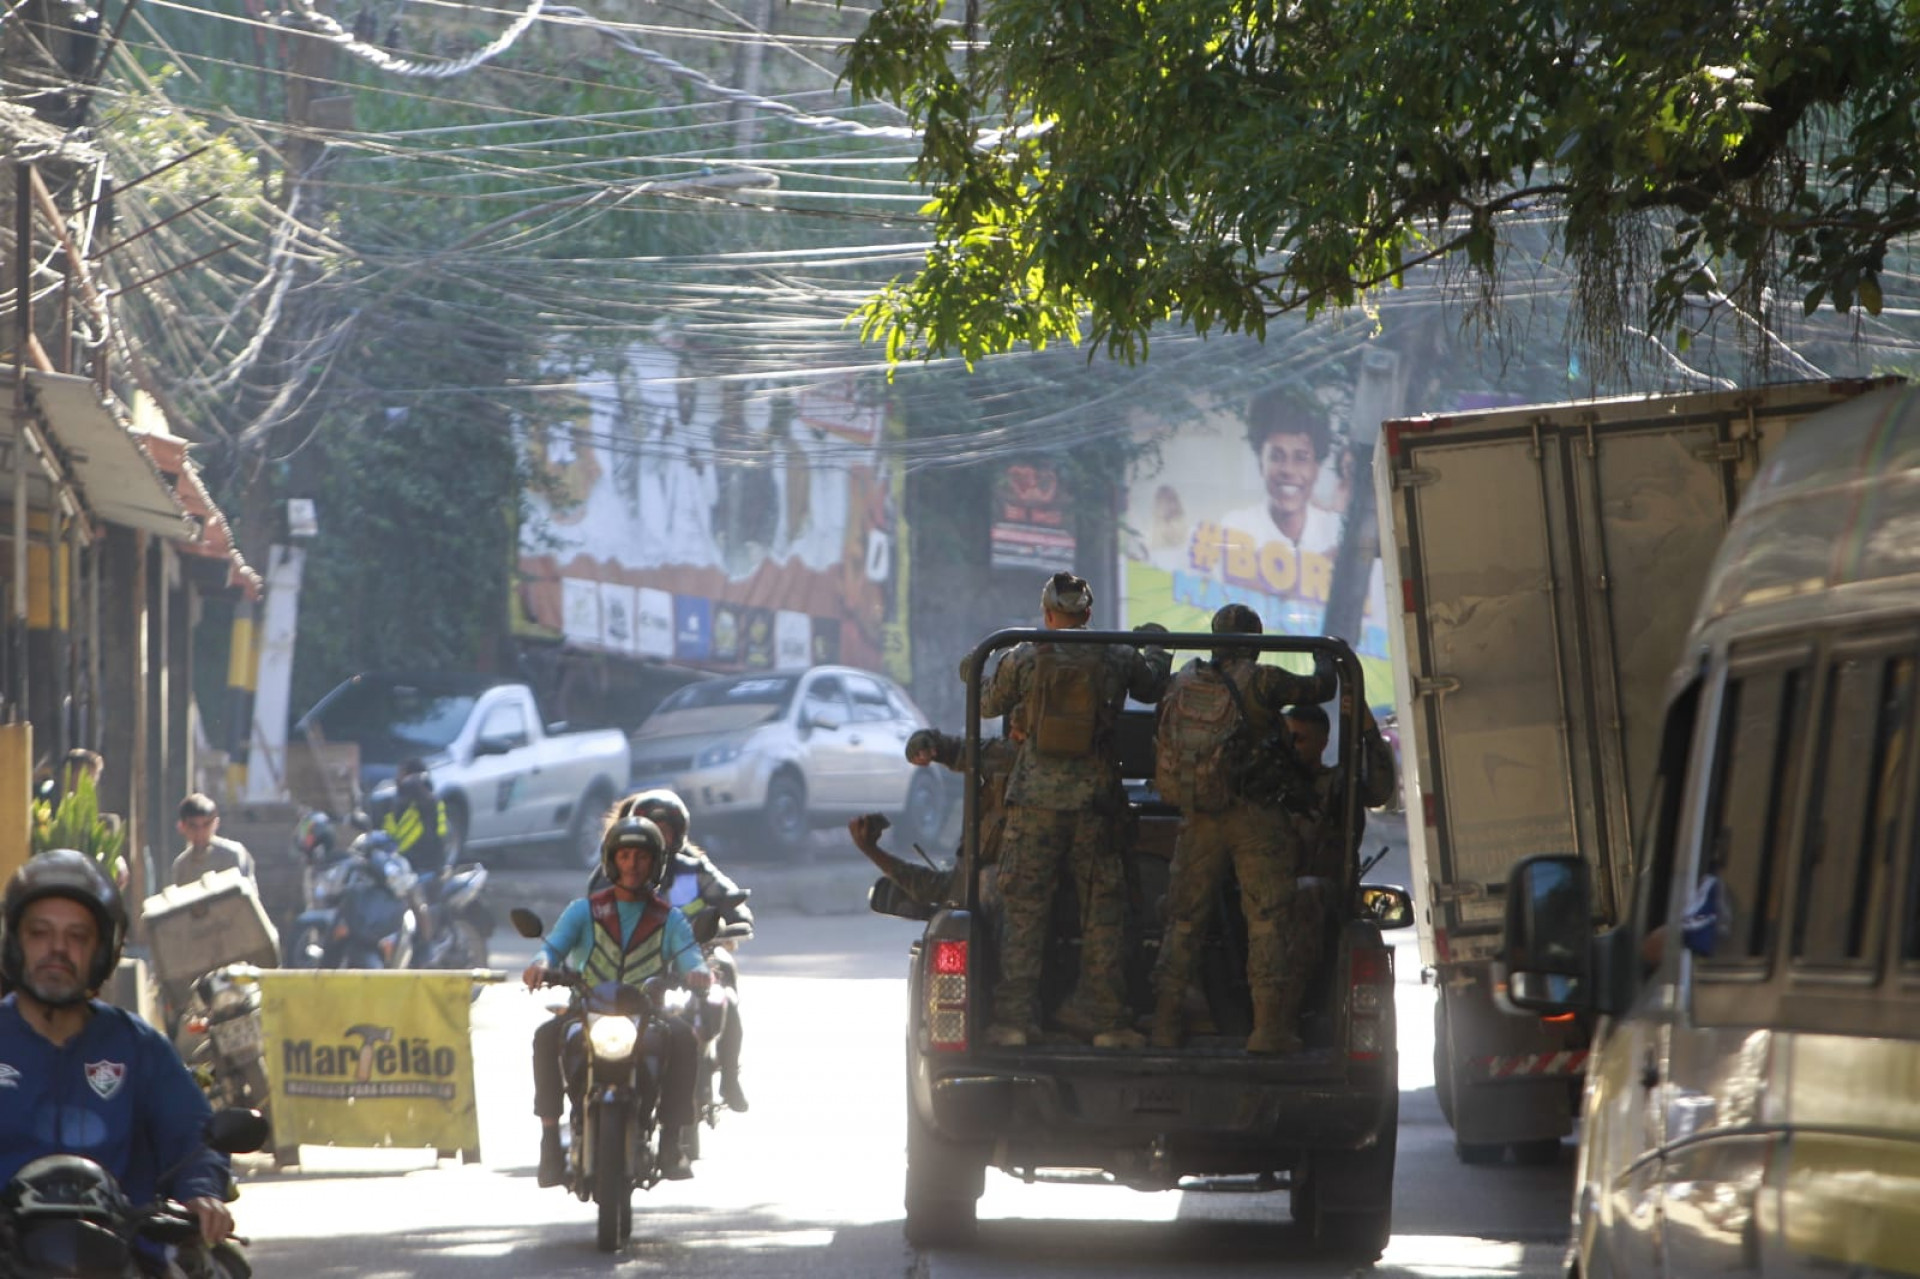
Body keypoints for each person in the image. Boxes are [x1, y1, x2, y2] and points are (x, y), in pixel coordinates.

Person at [970, 570, 1171, 1050]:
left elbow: (985, 705)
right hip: (1096, 805)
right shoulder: (1115, 654)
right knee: (1103, 913)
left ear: (1047, 612)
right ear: (1088, 613)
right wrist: (1158, 647)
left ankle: (1014, 1021)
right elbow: (1152, 687)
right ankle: (1105, 1020)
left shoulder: (1024, 655)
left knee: (1024, 912)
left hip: (1033, 805)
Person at [0, 850, 234, 1247]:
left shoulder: (138, 1046)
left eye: (77, 937)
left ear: (103, 951)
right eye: (39, 933)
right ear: (15, 943)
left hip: (125, 1255)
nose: (57, 949)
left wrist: (201, 1192)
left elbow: (191, 1133)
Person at [1149, 604, 1338, 1053]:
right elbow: (1320, 687)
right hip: (1255, 817)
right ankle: (1268, 1029)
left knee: (1182, 922)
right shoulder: (1263, 680)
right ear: (1253, 639)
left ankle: (1163, 1023)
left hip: (1199, 816)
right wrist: (1327, 656)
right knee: (1268, 921)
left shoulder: (1185, 679)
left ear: (1215, 637)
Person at [524, 816, 709, 1186]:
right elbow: (551, 948)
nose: (632, 865)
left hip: (646, 1015)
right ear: (611, 860)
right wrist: (540, 967)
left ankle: (672, 1140)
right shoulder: (583, 911)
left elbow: (691, 956)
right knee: (546, 1036)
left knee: (685, 1038)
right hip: (587, 1008)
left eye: (641, 857)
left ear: (655, 863)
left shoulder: (669, 919)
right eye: (624, 856)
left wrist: (699, 972)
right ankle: (548, 1143)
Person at [618, 790, 754, 1116]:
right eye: (651, 830)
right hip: (634, 960)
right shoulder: (618, 867)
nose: (658, 839)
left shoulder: (695, 870)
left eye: (665, 831)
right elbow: (588, 914)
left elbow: (733, 903)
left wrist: (730, 926)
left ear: (679, 834)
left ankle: (730, 1077)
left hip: (694, 955)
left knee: (727, 985)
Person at [1281, 698, 1397, 991]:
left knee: (1307, 891)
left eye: (1300, 738)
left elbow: (1379, 790)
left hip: (1318, 895)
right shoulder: (1269, 782)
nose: (1292, 745)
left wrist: (1369, 732)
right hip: (1267, 888)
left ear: (1322, 742)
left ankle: (1291, 1001)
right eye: (1287, 737)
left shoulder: (1337, 785)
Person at [1220, 390, 1343, 557]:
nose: (1288, 470)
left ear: (1317, 468)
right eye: (1276, 457)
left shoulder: (1336, 533)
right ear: (1260, 463)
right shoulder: (1236, 529)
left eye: (1301, 458)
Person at [171, 793, 257, 887]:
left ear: (215, 823)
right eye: (193, 826)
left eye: (206, 825)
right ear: (182, 827)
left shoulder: (232, 855)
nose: (200, 832)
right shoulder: (182, 866)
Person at [381, 758, 450, 874]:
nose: (397, 778)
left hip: (424, 865)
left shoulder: (425, 800)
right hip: (399, 863)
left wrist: (414, 783)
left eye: (401, 774)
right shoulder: (398, 801)